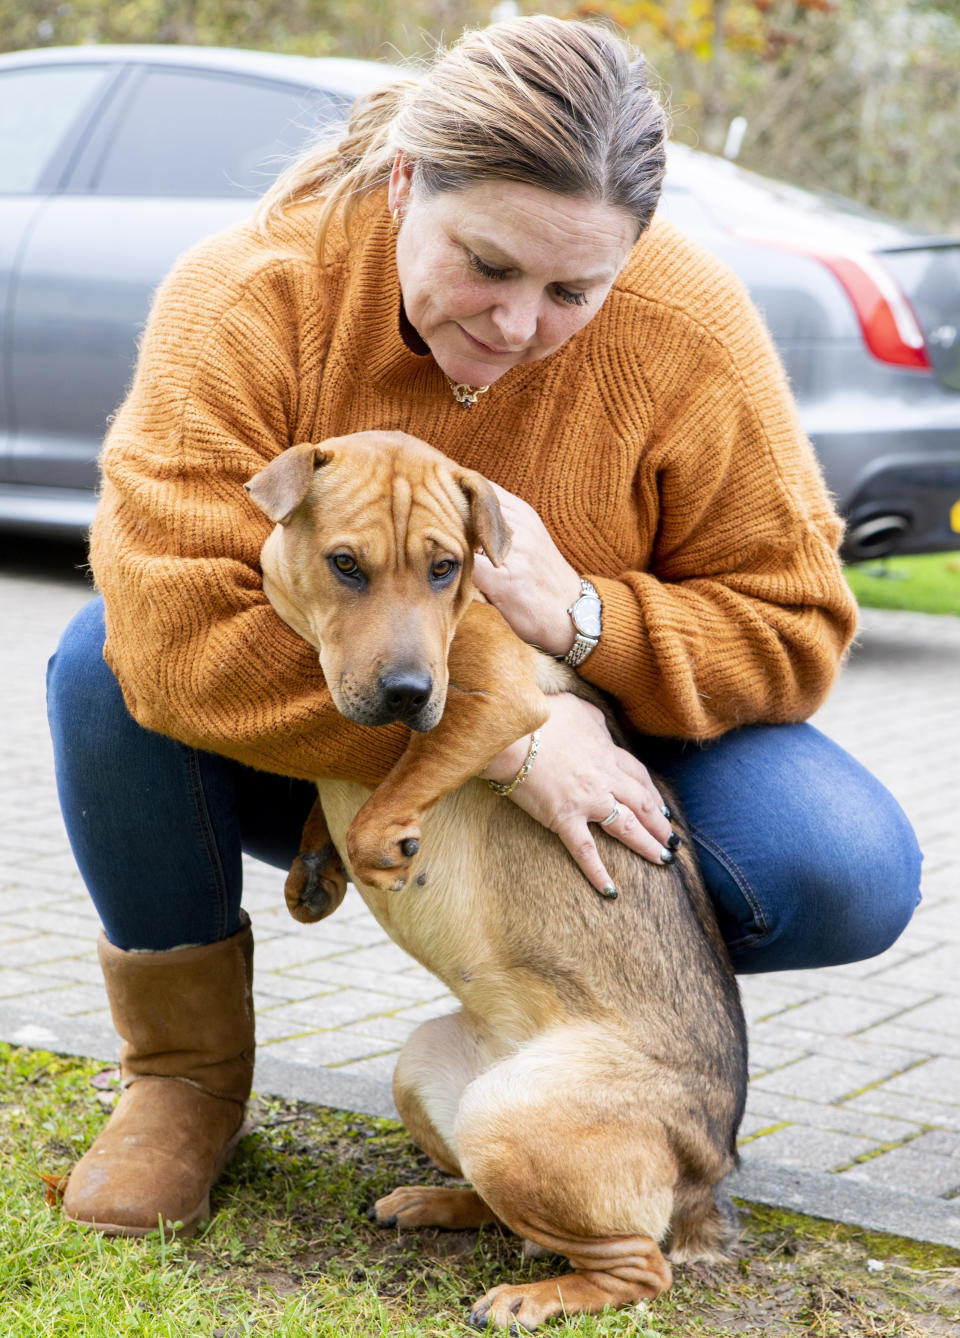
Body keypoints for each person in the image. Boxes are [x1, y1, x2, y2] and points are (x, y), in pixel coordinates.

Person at [46, 14, 921, 1237]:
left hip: (607, 728)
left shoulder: (688, 329)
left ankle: (580, 1059)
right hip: (329, 735)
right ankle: (183, 1080)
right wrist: (511, 745)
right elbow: (172, 618)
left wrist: (580, 618)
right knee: (100, 663)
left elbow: (795, 624)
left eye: (575, 289)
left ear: (638, 254)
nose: (518, 325)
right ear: (407, 182)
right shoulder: (253, 292)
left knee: (845, 863)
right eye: (488, 264)